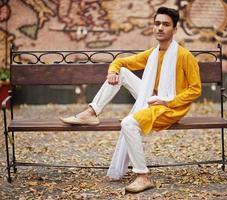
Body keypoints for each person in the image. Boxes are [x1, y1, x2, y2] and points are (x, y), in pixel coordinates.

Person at [60, 6, 201, 193]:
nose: (160, 28)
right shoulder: (153, 53)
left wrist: (168, 102)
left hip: (170, 107)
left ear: (174, 30)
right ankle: (91, 112)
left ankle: (143, 176)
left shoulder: (184, 56)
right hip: (152, 98)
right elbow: (121, 62)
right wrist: (112, 71)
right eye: (157, 23)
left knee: (128, 123)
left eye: (166, 25)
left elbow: (195, 89)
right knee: (123, 73)